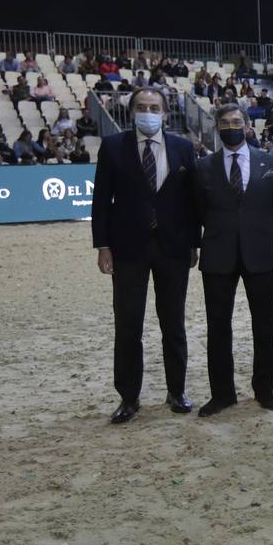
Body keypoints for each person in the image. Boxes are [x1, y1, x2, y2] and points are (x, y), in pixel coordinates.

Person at [90, 86, 200, 424]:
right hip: (127, 249)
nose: (148, 111)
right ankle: (128, 396)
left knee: (174, 324)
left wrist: (194, 242)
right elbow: (101, 202)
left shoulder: (183, 147)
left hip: (173, 248)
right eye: (141, 106)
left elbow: (192, 200)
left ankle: (176, 389)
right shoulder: (112, 147)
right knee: (128, 325)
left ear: (165, 112)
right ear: (132, 110)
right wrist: (102, 245)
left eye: (154, 106)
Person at [193, 103, 273, 417]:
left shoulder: (271, 163)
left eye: (236, 121)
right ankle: (222, 394)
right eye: (224, 122)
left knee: (264, 326)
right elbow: (196, 212)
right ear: (217, 128)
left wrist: (260, 238)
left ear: (248, 126)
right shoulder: (203, 166)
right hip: (218, 255)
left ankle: (265, 389)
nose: (231, 126)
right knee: (218, 327)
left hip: (260, 253)